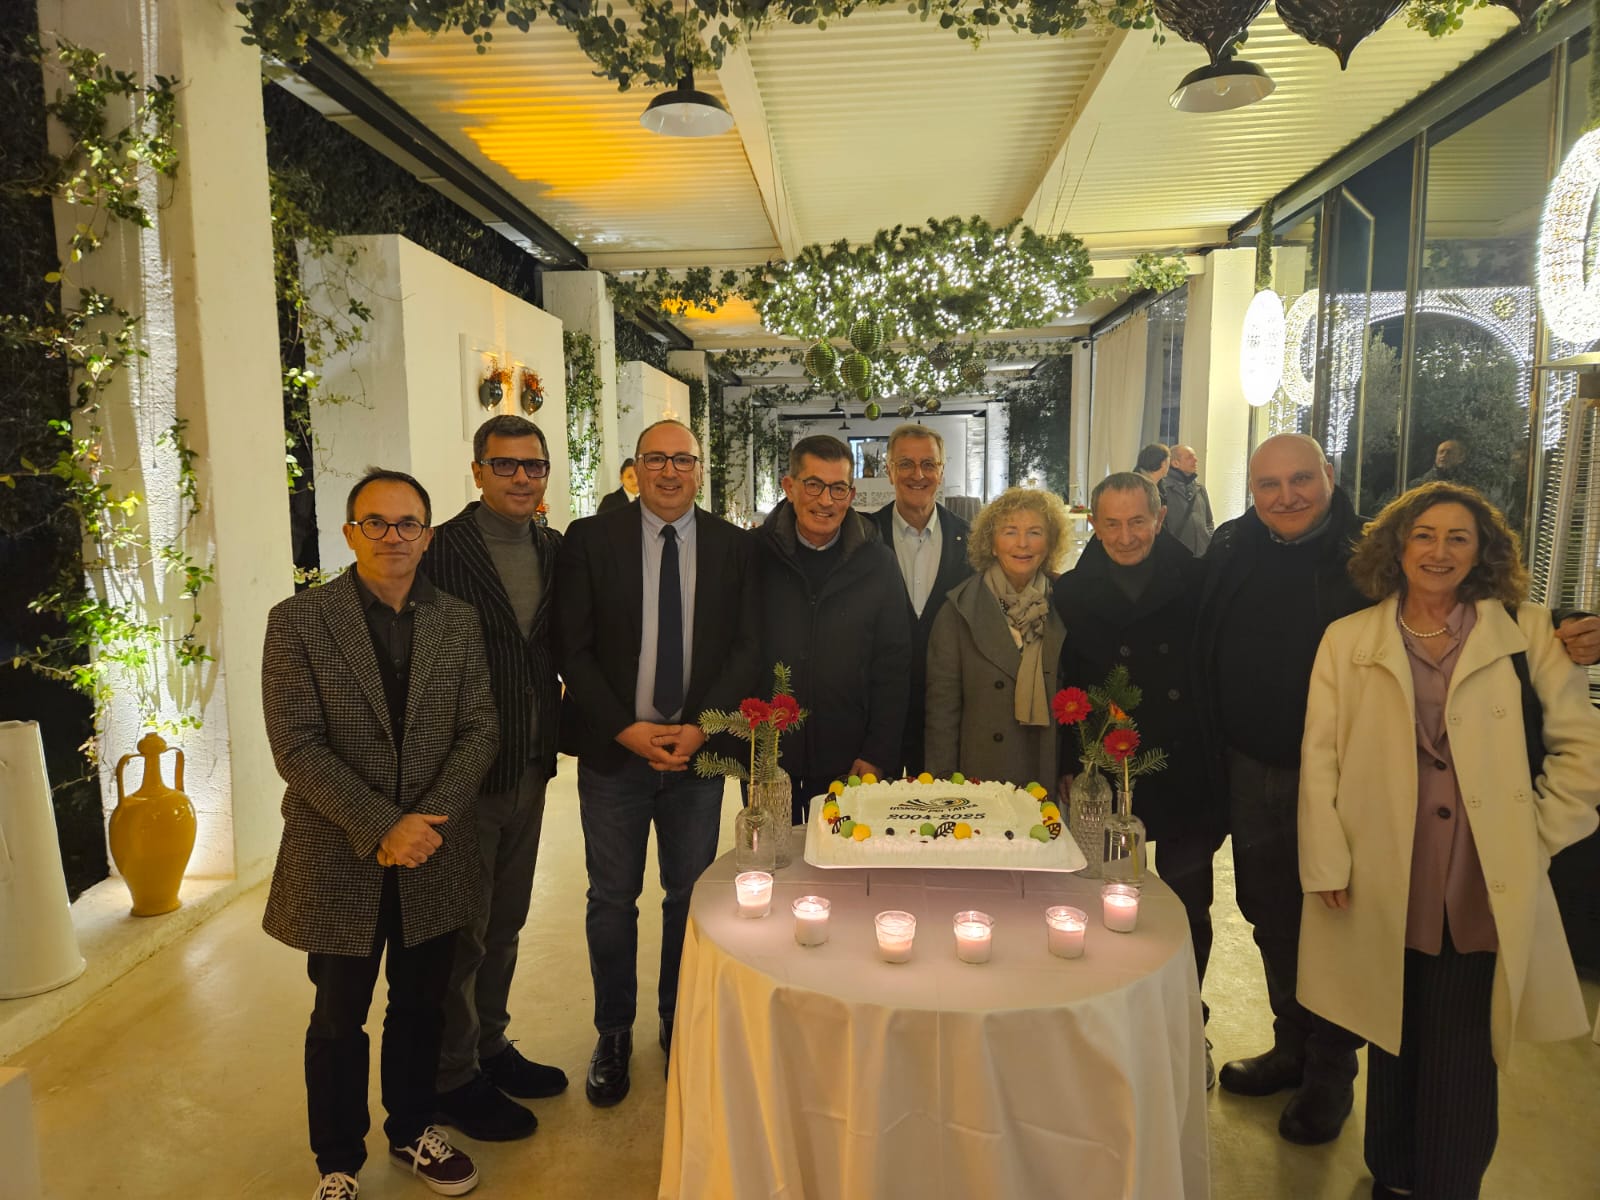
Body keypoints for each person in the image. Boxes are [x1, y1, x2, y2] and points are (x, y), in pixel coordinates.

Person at [1196, 433, 1600, 1146]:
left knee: (1347, 926)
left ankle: (1330, 1074)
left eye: (1300, 479)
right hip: (1255, 767)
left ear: (1329, 475)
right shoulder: (1231, 546)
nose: (1286, 496)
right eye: (1268, 485)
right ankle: (1293, 1044)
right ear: (1251, 491)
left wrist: (1565, 621)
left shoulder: (1373, 548)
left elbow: (1466, 594)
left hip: (1364, 778)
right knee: (1272, 915)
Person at [1298, 482, 1600, 1198]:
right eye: (1424, 535)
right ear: (1397, 546)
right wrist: (1327, 859)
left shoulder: (1527, 633)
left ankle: (1448, 1183)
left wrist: (1535, 837)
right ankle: (1393, 1175)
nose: (1439, 551)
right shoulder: (1350, 638)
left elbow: (1582, 750)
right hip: (1383, 864)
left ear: (1481, 551)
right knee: (1390, 1023)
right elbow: (1321, 757)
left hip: (1479, 871)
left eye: (1458, 537)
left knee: (1462, 1041)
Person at [262, 468, 498, 1200]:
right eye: (376, 522)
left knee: (421, 1005)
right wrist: (382, 826)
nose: (392, 536)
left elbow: (480, 728)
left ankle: (413, 1129)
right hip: (339, 852)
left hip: (433, 849)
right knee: (338, 1015)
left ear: (427, 536)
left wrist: (424, 824)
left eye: (407, 524)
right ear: (349, 533)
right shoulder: (298, 621)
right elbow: (296, 745)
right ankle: (337, 1161)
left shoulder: (457, 621)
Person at [554, 419, 760, 1109]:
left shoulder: (735, 547)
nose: (670, 471)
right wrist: (624, 730)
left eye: (682, 459)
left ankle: (679, 1022)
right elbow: (571, 648)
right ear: (635, 468)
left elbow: (747, 646)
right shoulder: (590, 539)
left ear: (700, 469)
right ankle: (613, 1033)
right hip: (615, 755)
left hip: (697, 758)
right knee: (612, 900)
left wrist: (702, 729)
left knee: (687, 897)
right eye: (656, 458)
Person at [420, 415, 566, 1143]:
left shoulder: (555, 549)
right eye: (505, 465)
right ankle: (451, 1078)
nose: (520, 477)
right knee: (461, 932)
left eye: (533, 466)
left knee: (505, 922)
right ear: (477, 471)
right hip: (460, 774)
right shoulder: (439, 550)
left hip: (530, 765)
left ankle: (490, 1044)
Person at [1053, 472, 1226, 1084]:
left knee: (1186, 905)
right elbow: (1063, 685)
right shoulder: (1070, 592)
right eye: (1111, 523)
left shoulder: (1201, 581)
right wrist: (1069, 765)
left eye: (1137, 522)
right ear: (1093, 524)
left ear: (1159, 518)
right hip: (1104, 768)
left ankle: (1186, 1023)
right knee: (1102, 901)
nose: (1125, 536)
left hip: (1185, 767)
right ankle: (1108, 1021)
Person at [754, 434, 911, 818]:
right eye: (813, 485)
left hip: (850, 757)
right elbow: (736, 650)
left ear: (851, 494)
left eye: (838, 488)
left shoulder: (878, 563)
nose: (826, 500)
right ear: (789, 486)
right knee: (773, 851)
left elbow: (894, 664)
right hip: (770, 755)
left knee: (842, 853)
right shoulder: (754, 555)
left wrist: (878, 753)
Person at [923, 487, 1067, 785]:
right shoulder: (958, 610)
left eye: (1035, 532)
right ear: (991, 544)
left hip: (1045, 770)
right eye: (1010, 532)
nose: (1022, 543)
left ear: (1050, 542)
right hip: (980, 777)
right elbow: (942, 712)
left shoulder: (1065, 604)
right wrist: (943, 782)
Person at [867, 423, 971, 776]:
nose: (918, 474)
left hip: (948, 714)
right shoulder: (863, 536)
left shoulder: (970, 540)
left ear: (942, 471)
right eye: (906, 464)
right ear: (889, 470)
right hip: (878, 715)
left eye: (928, 464)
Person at [1160, 444, 1214, 556]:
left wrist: (1208, 542)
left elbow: (1208, 521)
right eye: (1189, 457)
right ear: (1175, 463)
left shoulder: (1200, 489)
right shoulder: (1163, 490)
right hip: (1175, 557)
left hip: (1202, 556)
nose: (1195, 460)